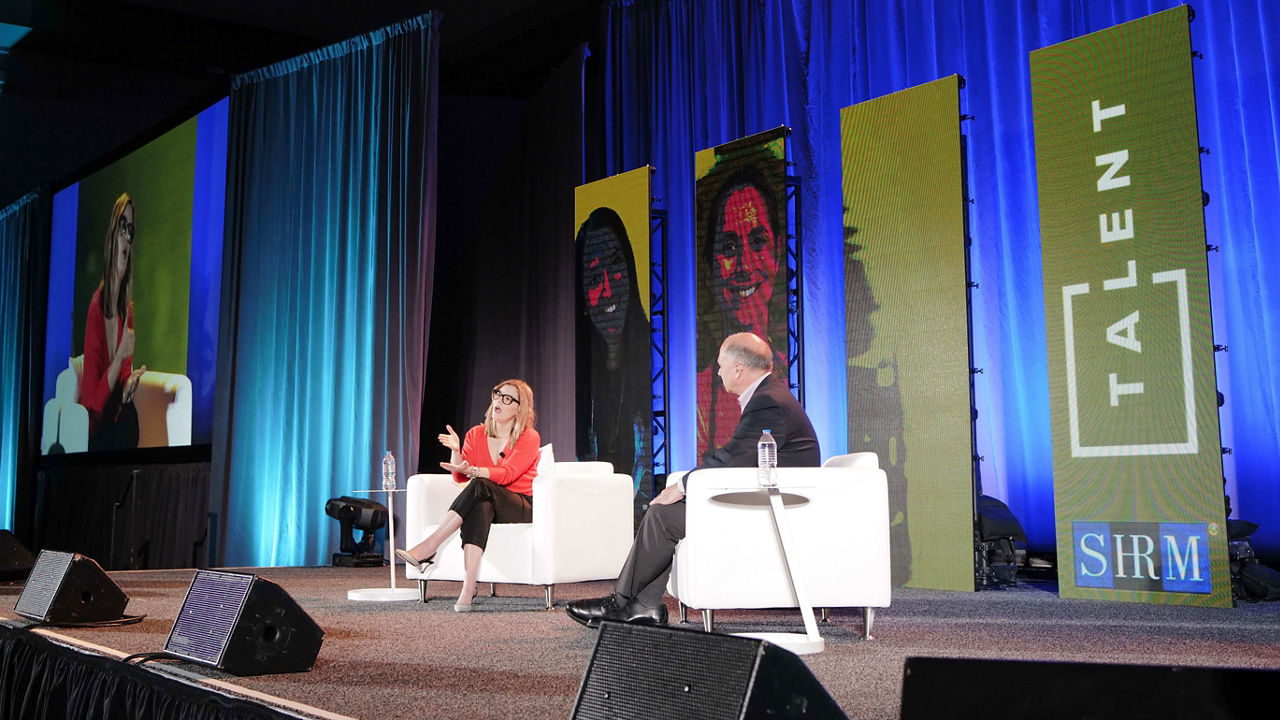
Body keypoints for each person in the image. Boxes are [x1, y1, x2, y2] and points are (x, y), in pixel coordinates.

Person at [567, 332, 819, 627]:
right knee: (664, 513)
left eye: (721, 365)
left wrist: (682, 486)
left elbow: (735, 457)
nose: (718, 372)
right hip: (763, 503)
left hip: (773, 513)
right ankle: (644, 606)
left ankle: (623, 604)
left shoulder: (768, 402)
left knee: (663, 516)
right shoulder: (770, 394)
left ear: (738, 369)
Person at [396, 380, 540, 611]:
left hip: (521, 505)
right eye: (497, 394)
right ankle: (468, 587)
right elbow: (460, 476)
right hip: (488, 500)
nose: (498, 401)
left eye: (507, 399)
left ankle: (430, 545)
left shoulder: (529, 437)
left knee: (481, 484)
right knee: (480, 505)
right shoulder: (476, 434)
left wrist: (473, 471)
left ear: (519, 408)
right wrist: (456, 452)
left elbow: (507, 474)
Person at [696, 169, 788, 456]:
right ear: (710, 267)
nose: (744, 266)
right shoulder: (697, 396)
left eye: (758, 242)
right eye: (729, 247)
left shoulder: (791, 382)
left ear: (778, 251)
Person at [575, 207, 653, 511]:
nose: (609, 288)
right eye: (595, 277)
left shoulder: (653, 361)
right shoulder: (577, 372)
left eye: (616, 265)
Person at [81, 192, 146, 451]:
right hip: (95, 431)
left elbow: (122, 380)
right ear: (112, 237)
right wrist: (119, 357)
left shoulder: (127, 309)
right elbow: (92, 407)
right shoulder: (96, 307)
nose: (127, 238)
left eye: (131, 231)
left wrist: (128, 386)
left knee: (131, 418)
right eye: (122, 227)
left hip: (118, 423)